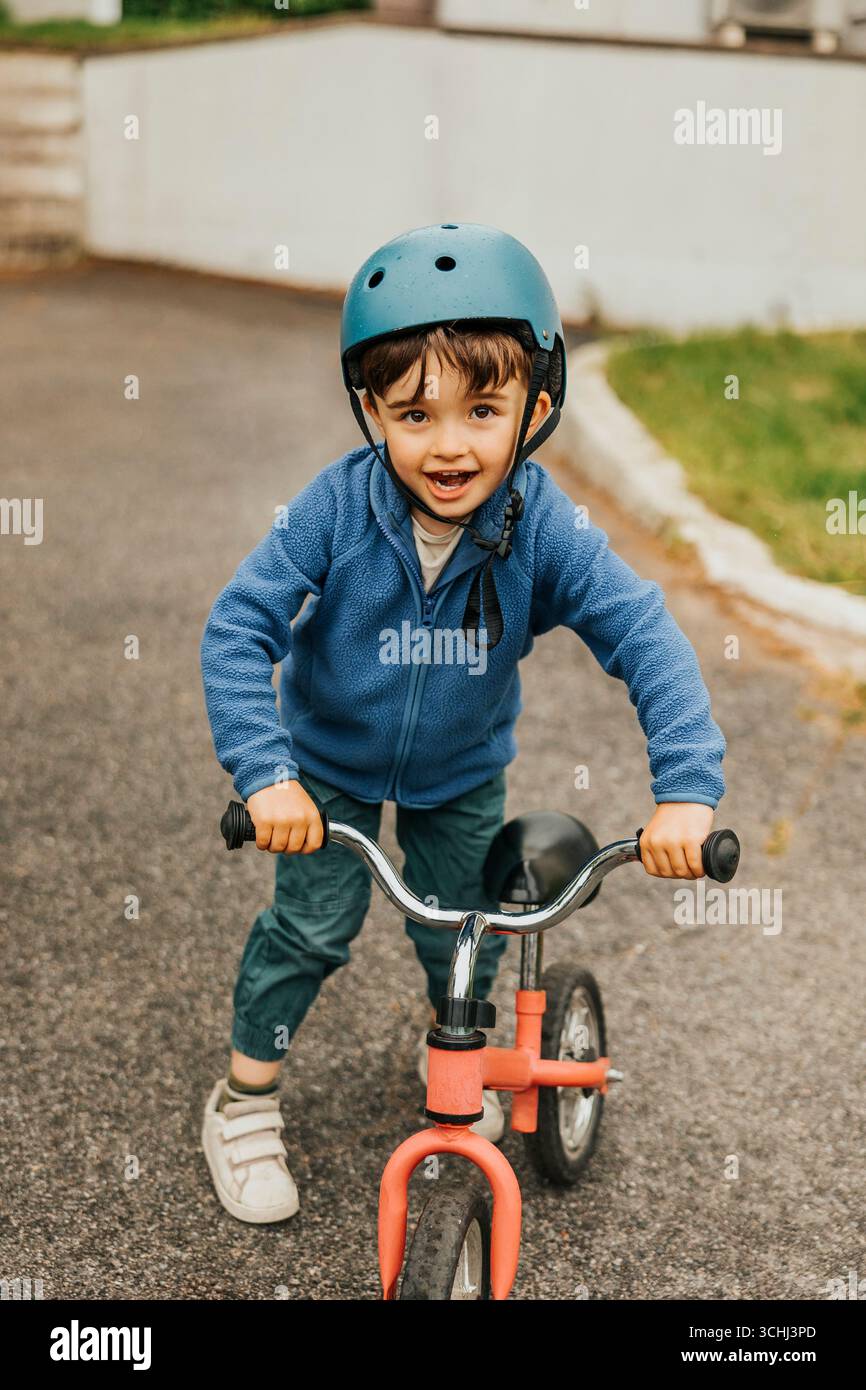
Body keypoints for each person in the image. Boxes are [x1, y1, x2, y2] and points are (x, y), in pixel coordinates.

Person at [199, 222, 726, 1223]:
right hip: (326, 770)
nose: (449, 444)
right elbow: (237, 629)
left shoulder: (544, 526)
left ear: (534, 404)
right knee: (308, 929)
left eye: (482, 409)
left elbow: (643, 634)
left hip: (458, 771)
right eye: (414, 413)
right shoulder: (333, 512)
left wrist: (685, 791)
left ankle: (455, 1045)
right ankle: (243, 1099)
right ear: (370, 411)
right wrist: (266, 773)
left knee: (465, 938)